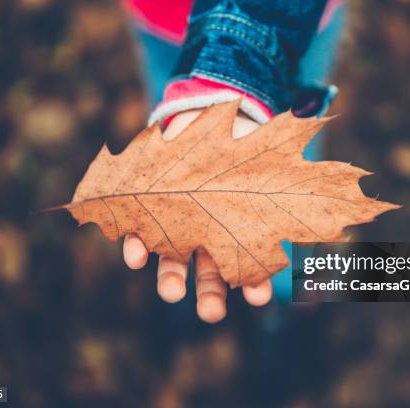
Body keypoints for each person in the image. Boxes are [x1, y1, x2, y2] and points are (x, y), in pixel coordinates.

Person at [121, 0, 345, 323]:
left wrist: (237, 58)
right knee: (172, 110)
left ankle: (291, 293)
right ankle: (189, 272)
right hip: (159, 19)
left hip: (289, 28)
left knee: (290, 152)